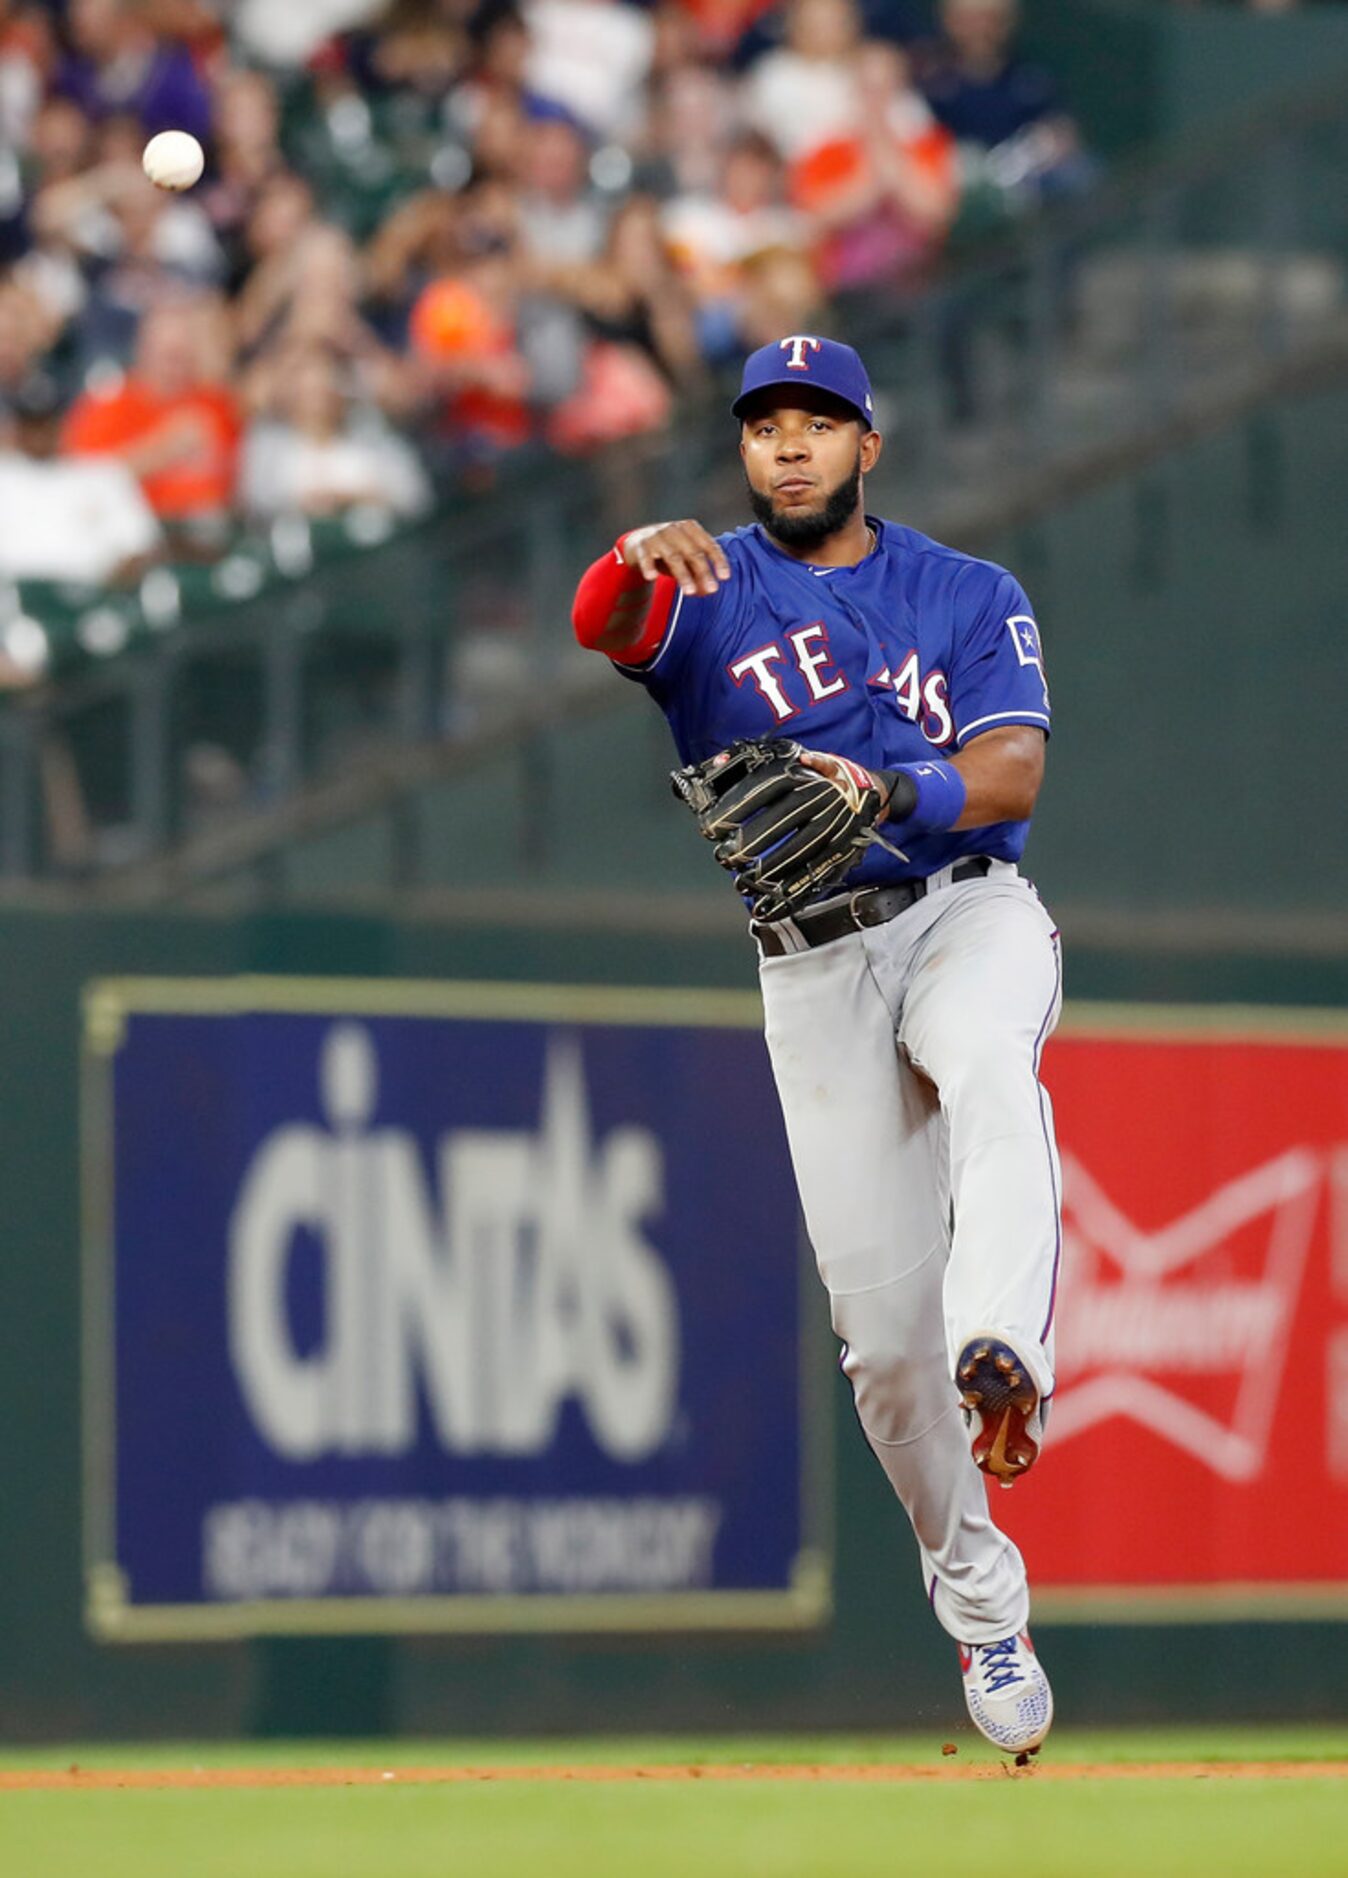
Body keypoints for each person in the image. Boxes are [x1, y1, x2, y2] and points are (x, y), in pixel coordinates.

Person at [570, 333, 1061, 1757]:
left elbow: (1013, 770)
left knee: (986, 1061)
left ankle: (1008, 1344)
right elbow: (607, 624)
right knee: (882, 1354)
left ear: (869, 447)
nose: (789, 444)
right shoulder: (709, 584)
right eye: (765, 423)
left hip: (964, 909)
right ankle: (987, 1615)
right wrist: (620, 556)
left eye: (819, 421)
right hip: (814, 963)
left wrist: (893, 782)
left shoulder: (967, 592)